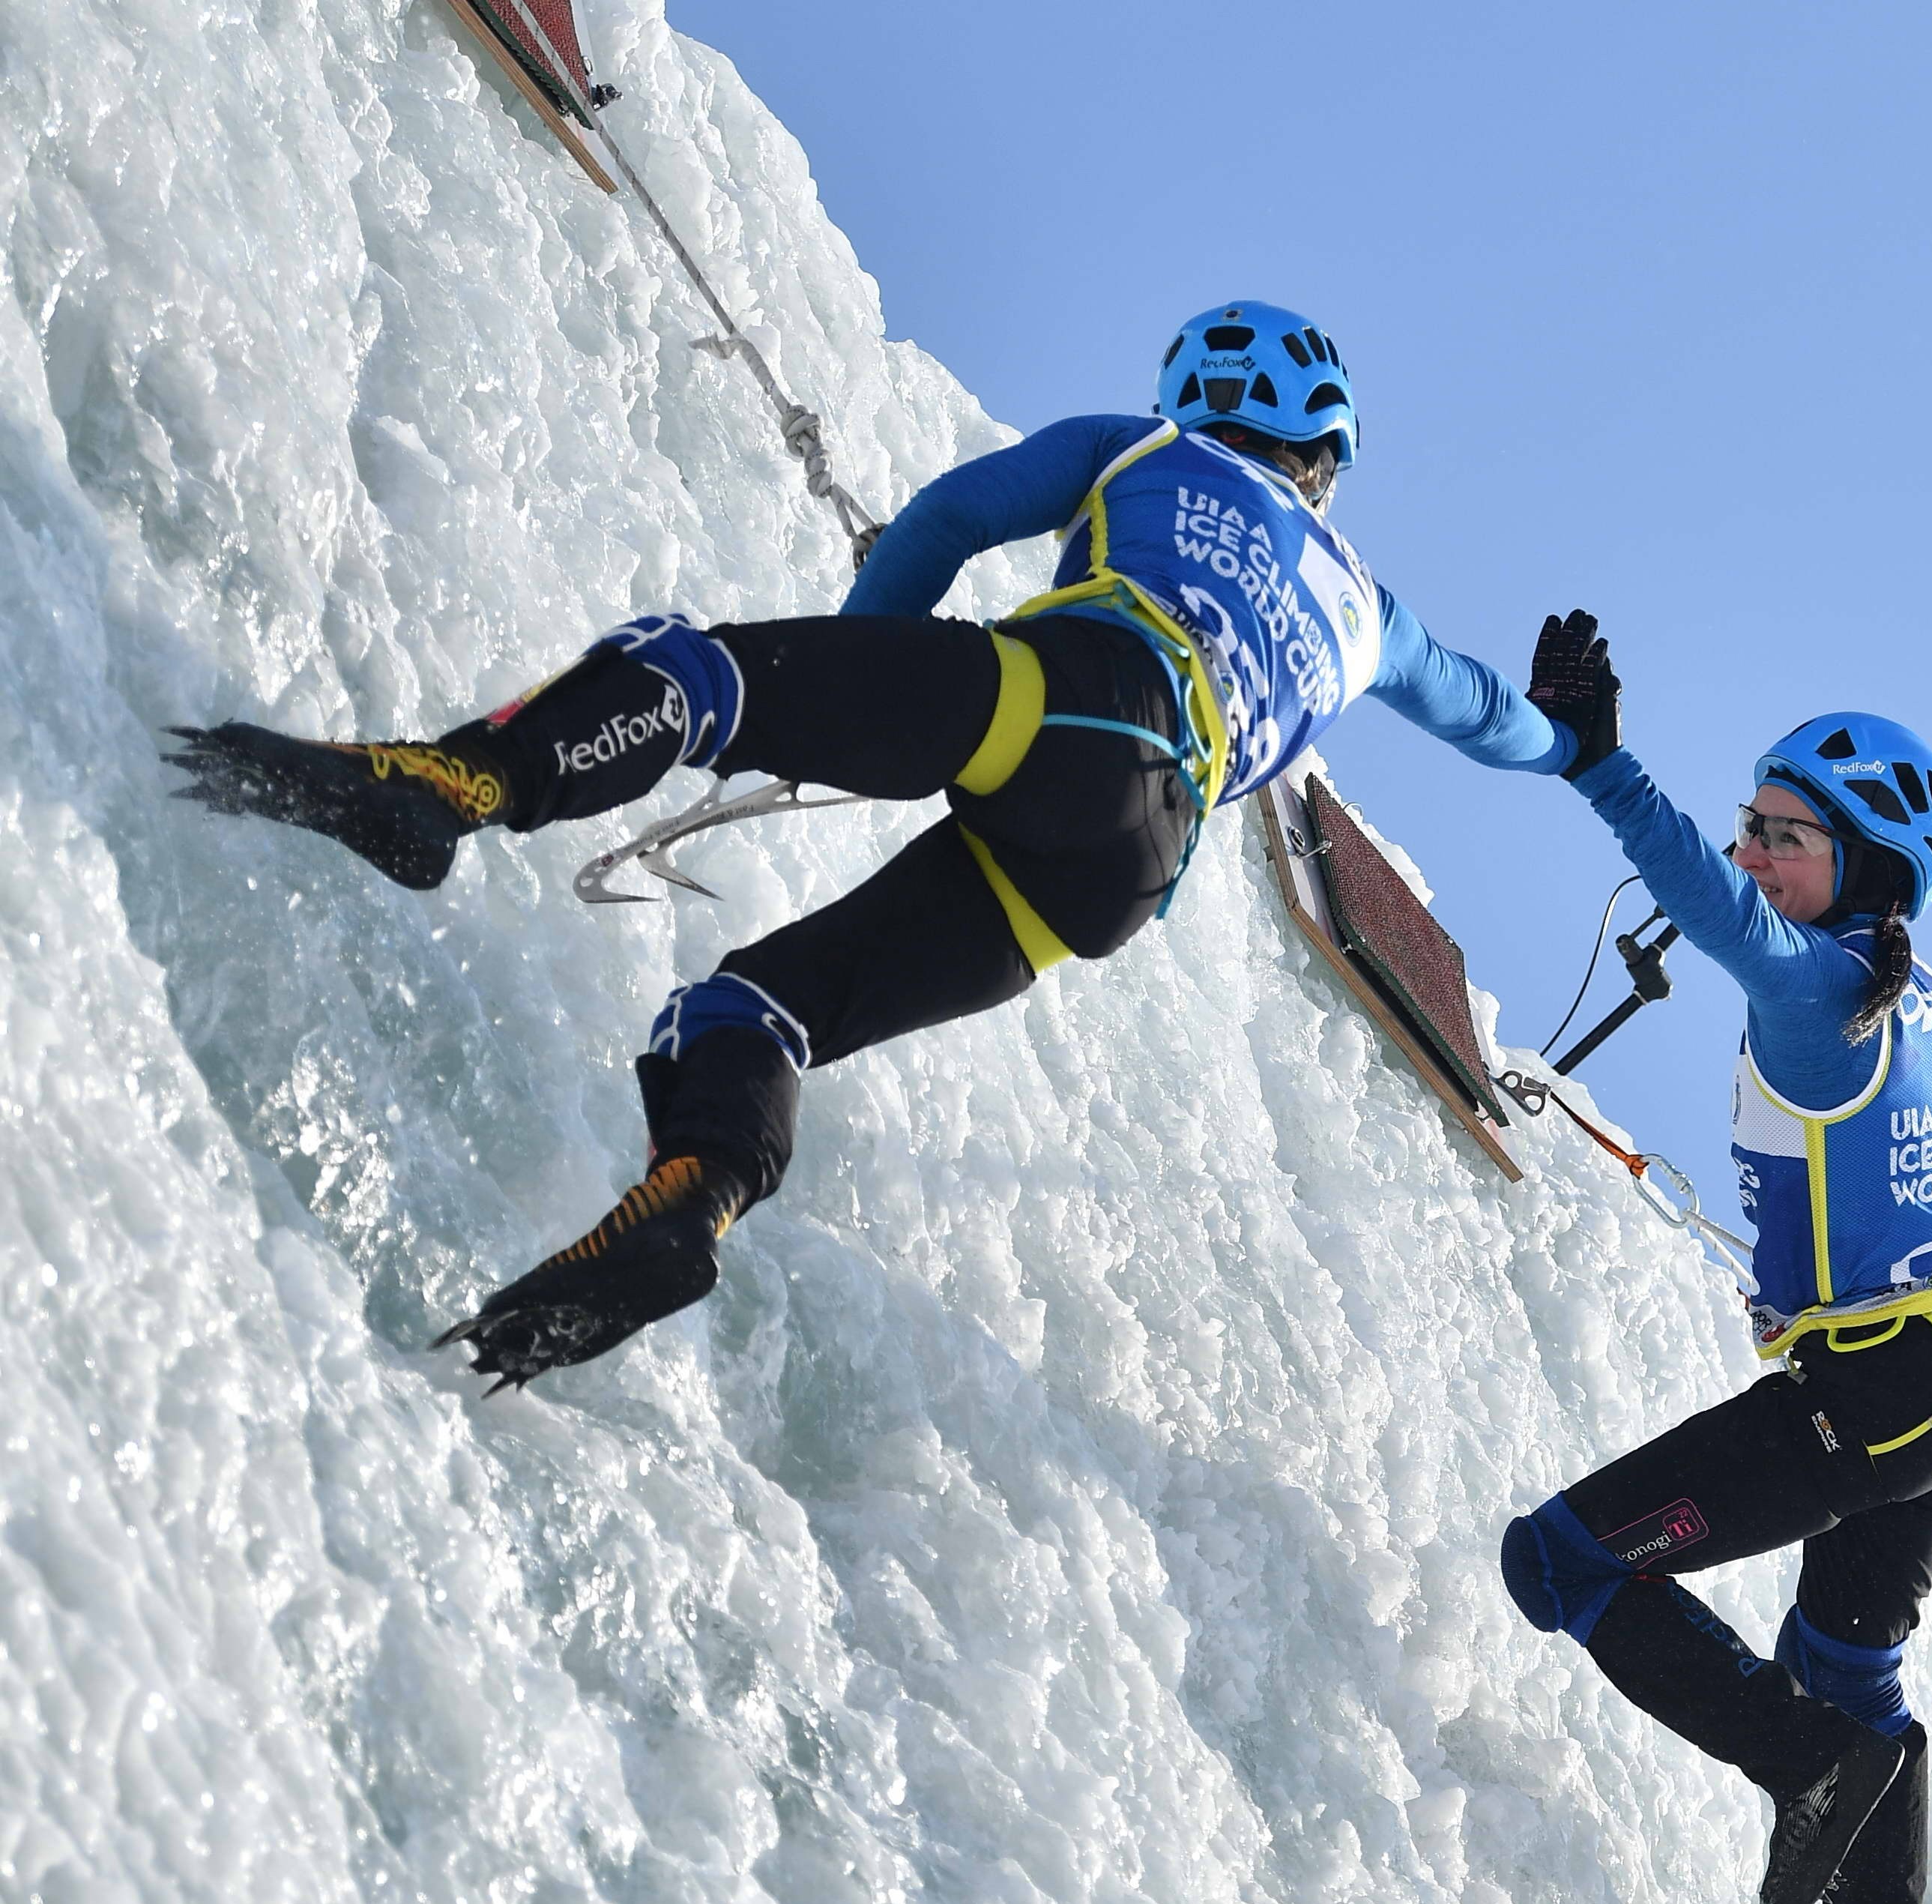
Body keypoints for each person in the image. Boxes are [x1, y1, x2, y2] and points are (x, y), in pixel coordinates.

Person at [166, 302, 1581, 1386]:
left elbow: (954, 516)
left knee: (706, 677)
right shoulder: (1370, 616)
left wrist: (854, 680)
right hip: (1119, 880)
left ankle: (453, 788)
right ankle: (697, 1198)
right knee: (756, 1009)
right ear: (1324, 448)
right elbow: (1496, 721)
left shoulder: (1150, 447)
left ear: (1203, 395)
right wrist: (1583, 738)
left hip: (1080, 699)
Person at [1494, 613, 1932, 1904]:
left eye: (1785, 834)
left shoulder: (1819, 985)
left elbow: (1701, 899)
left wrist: (1598, 762)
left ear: (1864, 871)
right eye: (1753, 823)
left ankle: (1805, 1768)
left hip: (1884, 1390)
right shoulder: (1919, 1007)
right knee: (1845, 1656)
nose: (1754, 850)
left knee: (1560, 1560)